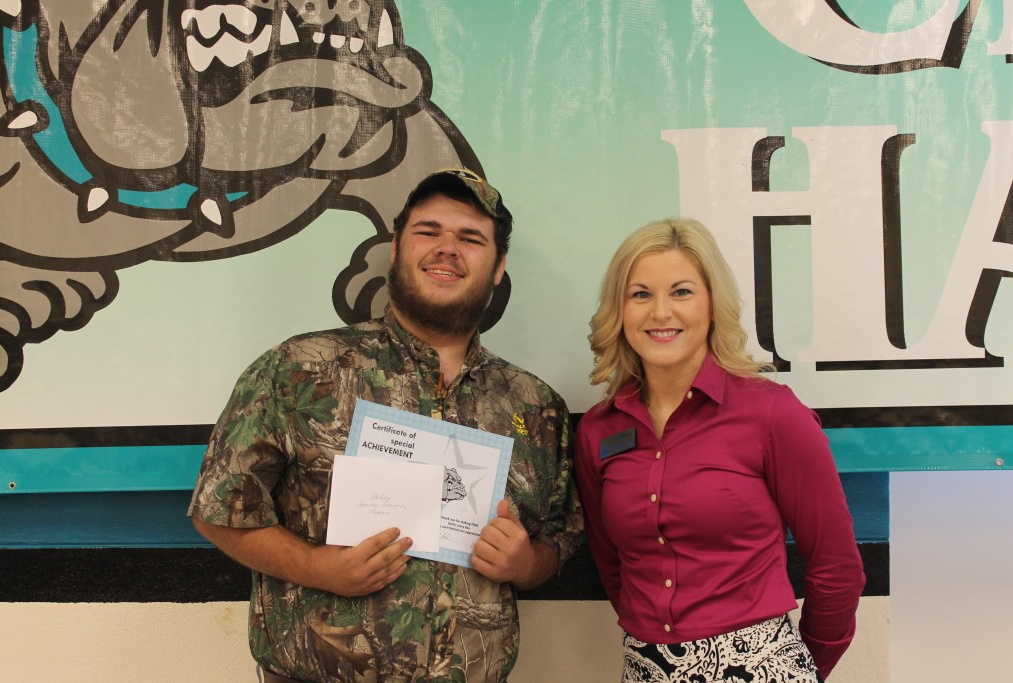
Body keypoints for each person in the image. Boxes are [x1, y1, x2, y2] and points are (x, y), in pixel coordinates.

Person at [189, 168, 582, 683]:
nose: (447, 248)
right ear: (396, 248)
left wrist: (525, 564)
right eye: (428, 231)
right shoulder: (299, 368)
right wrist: (317, 568)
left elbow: (561, 536)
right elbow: (218, 509)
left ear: (498, 266)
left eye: (470, 238)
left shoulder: (535, 406)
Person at [573, 218, 864, 682]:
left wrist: (796, 669)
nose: (660, 312)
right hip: (645, 668)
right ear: (619, 311)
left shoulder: (772, 414)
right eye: (641, 294)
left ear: (712, 305)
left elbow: (837, 567)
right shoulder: (597, 430)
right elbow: (612, 565)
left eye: (681, 292)